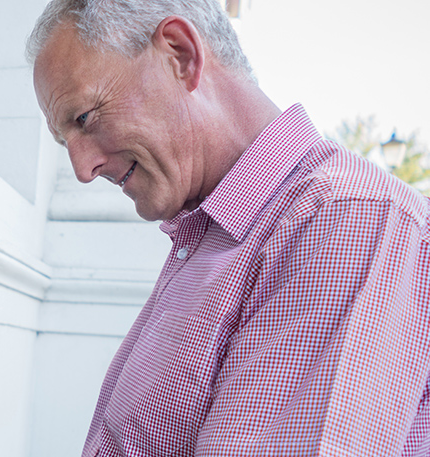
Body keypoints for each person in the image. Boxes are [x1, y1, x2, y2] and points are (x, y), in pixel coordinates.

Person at [27, 0, 430, 454]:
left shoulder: (347, 218)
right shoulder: (216, 229)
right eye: (65, 141)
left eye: (84, 118)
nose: (82, 168)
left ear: (180, 55)